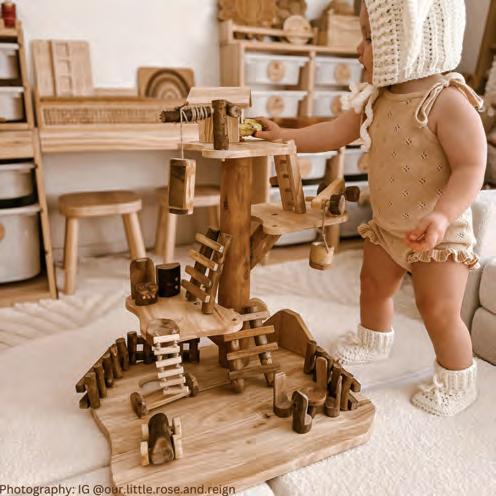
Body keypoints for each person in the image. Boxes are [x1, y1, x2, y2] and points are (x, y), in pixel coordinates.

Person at [255, 0, 487, 416]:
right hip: (388, 226)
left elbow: (471, 166)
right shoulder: (376, 97)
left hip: (438, 233)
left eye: (369, 38)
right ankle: (373, 338)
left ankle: (458, 379)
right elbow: (333, 132)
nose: (358, 49)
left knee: (438, 310)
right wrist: (286, 136)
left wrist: (441, 215)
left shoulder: (448, 101)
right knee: (373, 285)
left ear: (410, 42)